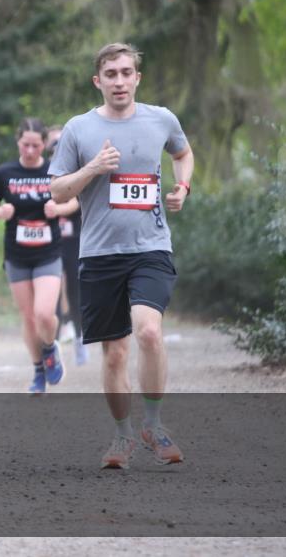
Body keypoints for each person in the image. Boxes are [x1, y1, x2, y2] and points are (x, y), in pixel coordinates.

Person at [49, 42, 194, 469]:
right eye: (110, 74)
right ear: (98, 81)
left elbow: (182, 153)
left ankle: (154, 423)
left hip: (151, 246)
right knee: (114, 352)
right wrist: (94, 167)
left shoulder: (161, 119)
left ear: (137, 79)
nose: (119, 81)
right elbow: (57, 190)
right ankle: (123, 436)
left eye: (126, 72)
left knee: (148, 332)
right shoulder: (79, 129)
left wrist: (182, 187)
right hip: (99, 253)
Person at [0, 118, 80, 395]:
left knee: (44, 315)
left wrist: (59, 210)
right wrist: (0, 212)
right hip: (16, 254)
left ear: (44, 145)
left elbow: (75, 201)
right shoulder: (5, 172)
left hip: (48, 253)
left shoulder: (56, 172)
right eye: (25, 144)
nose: (29, 151)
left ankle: (50, 348)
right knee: (28, 317)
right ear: (18, 142)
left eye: (36, 145)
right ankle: (39, 369)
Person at [46, 125, 88, 367]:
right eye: (53, 143)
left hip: (73, 237)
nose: (56, 147)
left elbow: (74, 201)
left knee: (74, 288)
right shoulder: (42, 170)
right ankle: (54, 343)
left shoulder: (75, 169)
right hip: (49, 239)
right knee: (51, 290)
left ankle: (80, 339)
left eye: (60, 143)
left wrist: (58, 209)